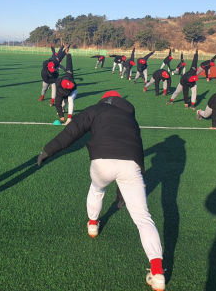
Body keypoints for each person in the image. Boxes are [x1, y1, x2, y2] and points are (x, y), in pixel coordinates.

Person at [37, 91, 165, 291]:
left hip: (101, 162)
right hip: (131, 166)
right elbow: (138, 150)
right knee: (143, 218)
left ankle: (93, 225)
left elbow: (72, 131)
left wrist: (48, 150)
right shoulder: (130, 118)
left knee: (97, 189)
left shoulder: (96, 109)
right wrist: (124, 191)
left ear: (104, 100)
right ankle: (157, 273)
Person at [54, 51, 77, 125]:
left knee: (70, 99)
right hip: (63, 94)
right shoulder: (59, 89)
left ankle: (69, 118)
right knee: (62, 104)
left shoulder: (69, 75)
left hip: (73, 91)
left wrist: (68, 54)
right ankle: (62, 111)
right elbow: (57, 103)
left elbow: (69, 64)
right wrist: (61, 116)